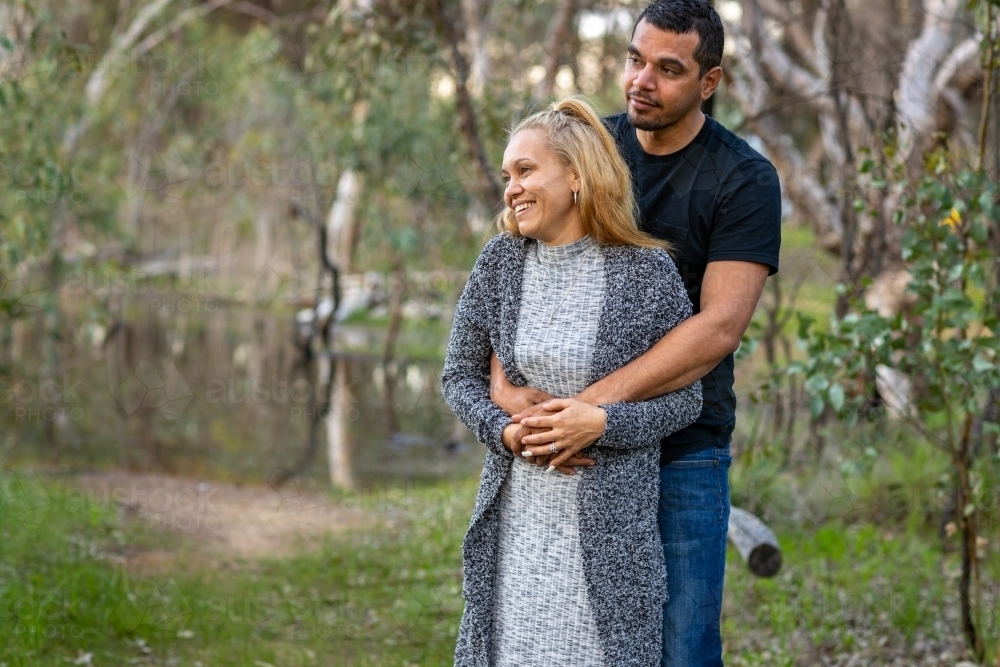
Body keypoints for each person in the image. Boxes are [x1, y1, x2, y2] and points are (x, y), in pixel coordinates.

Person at [489, 2, 783, 666]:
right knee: (570, 641)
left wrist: (595, 408)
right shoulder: (586, 152)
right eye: (634, 59)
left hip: (684, 453)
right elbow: (512, 264)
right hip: (572, 450)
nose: (641, 81)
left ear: (709, 82)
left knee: (681, 646)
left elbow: (717, 328)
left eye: (668, 69)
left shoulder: (741, 178)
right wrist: (506, 390)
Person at [441, 96, 703, 667]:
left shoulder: (646, 272)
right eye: (508, 175)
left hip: (610, 540)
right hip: (516, 525)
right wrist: (506, 432)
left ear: (578, 176)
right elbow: (458, 376)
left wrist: (603, 423)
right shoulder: (500, 263)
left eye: (527, 170)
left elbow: (688, 399)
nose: (511, 187)